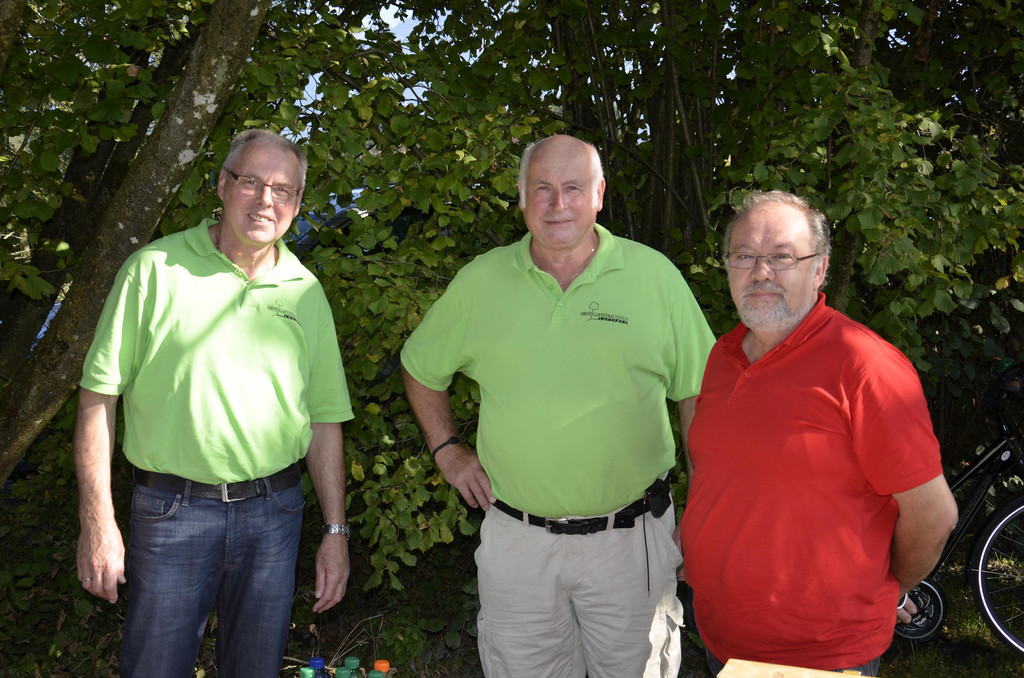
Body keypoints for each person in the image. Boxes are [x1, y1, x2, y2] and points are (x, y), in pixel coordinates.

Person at [401, 134, 716, 677]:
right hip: (518, 547)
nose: (557, 203)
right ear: (521, 196)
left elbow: (699, 394)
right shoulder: (481, 281)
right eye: (542, 188)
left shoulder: (654, 277)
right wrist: (448, 450)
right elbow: (420, 368)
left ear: (599, 195)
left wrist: (703, 506)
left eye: (573, 187)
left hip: (632, 542)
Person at [73, 129, 354, 678]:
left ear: (298, 204)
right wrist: (97, 521)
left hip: (275, 516)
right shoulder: (154, 270)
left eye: (283, 189)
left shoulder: (304, 290)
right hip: (172, 513)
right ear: (223, 185)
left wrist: (336, 533)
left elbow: (324, 420)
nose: (266, 200)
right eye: (251, 182)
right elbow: (97, 398)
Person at [679, 190, 958, 675]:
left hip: (819, 655)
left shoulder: (864, 365)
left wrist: (886, 584)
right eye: (744, 256)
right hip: (720, 636)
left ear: (819, 270)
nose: (760, 272)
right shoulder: (722, 356)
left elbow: (933, 515)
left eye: (782, 257)